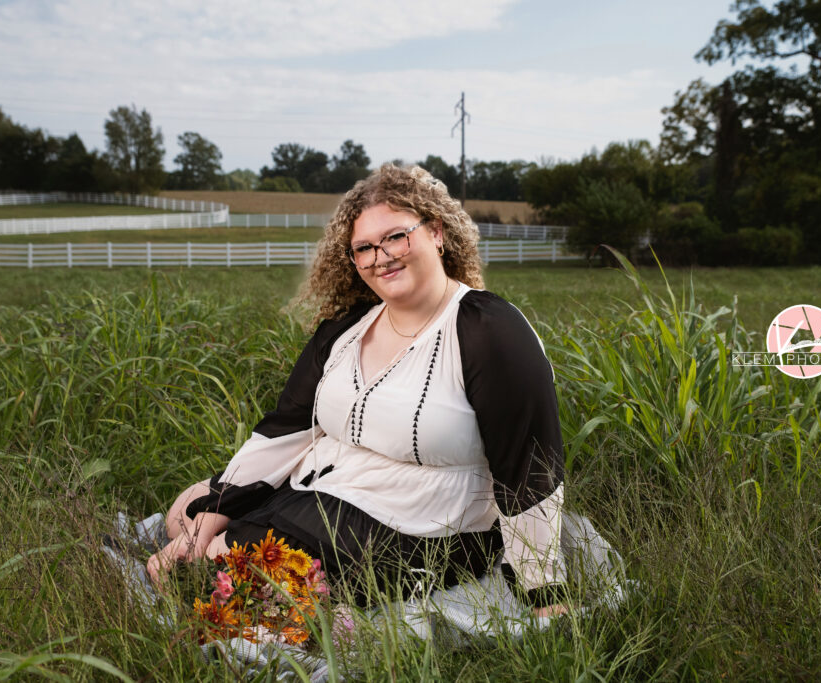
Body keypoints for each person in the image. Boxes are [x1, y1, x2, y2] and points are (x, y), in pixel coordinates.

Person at [146, 164, 568, 613]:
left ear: (437, 233)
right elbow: (284, 432)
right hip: (329, 484)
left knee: (221, 569)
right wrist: (212, 512)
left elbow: (530, 463)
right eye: (363, 248)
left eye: (395, 237)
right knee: (185, 515)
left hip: (420, 520)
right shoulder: (345, 331)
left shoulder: (488, 330)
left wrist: (542, 590)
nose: (380, 256)